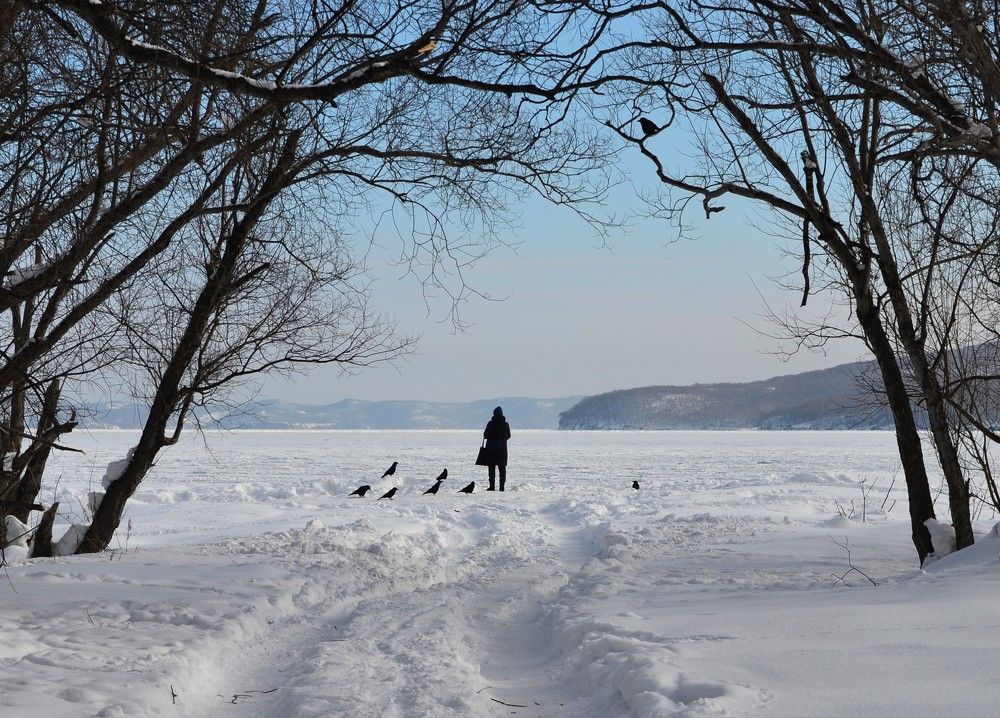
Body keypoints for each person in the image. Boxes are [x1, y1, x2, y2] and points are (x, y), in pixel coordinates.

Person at [483, 406, 511, 491]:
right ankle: (502, 487)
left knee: (491, 468)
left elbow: (485, 435)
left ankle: (492, 486)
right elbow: (509, 435)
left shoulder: (490, 423)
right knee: (502, 469)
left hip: (491, 450)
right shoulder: (505, 424)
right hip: (502, 450)